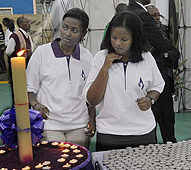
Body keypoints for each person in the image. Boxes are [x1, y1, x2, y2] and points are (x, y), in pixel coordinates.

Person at [84, 11, 165, 151]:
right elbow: (92, 99)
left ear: (135, 38)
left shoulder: (146, 58)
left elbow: (157, 85)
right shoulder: (100, 58)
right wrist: (105, 67)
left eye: (124, 39)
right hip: (109, 133)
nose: (117, 43)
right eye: (114, 37)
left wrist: (150, 99)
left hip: (143, 132)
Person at [26, 8, 96, 148]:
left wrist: (92, 120)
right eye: (65, 27)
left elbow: (90, 95)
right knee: (55, 160)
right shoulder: (42, 53)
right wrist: (36, 104)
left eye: (74, 30)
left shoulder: (87, 57)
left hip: (79, 124)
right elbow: (29, 89)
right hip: (50, 124)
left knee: (77, 162)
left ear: (83, 34)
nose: (67, 34)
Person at [146, 5, 180, 143]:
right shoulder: (141, 36)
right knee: (150, 127)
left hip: (166, 88)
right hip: (149, 90)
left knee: (168, 125)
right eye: (153, 15)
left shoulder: (164, 33)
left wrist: (165, 55)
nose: (157, 18)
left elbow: (175, 53)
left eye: (158, 15)